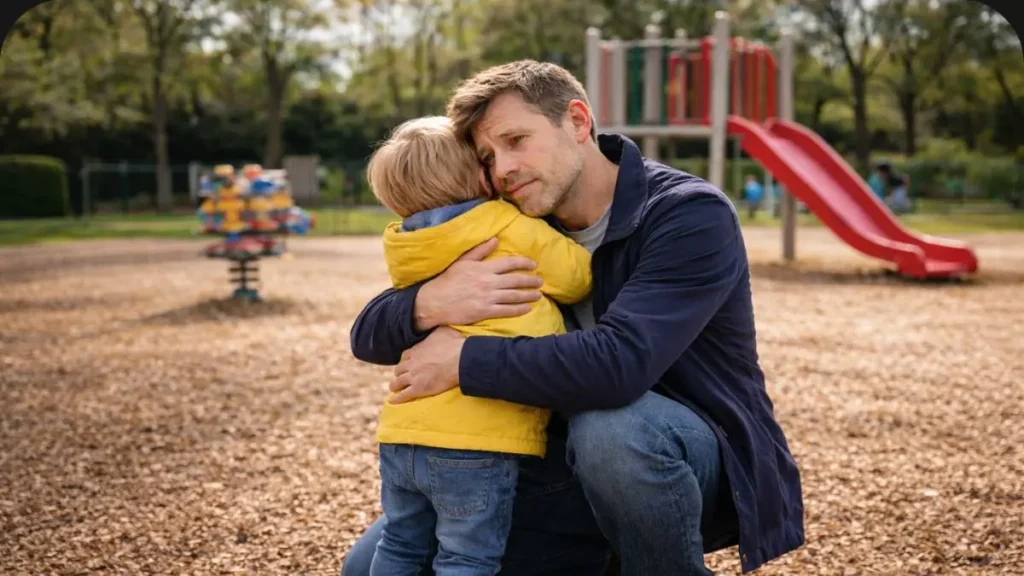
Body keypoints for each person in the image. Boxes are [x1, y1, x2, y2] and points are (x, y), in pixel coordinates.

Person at [343, 60, 805, 576]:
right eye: (489, 156)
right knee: (364, 568)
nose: (503, 169)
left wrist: (463, 359)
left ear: (579, 122)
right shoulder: (516, 218)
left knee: (612, 431)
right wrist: (430, 301)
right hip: (544, 464)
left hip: (680, 454)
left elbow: (619, 365)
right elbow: (367, 335)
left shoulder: (688, 213)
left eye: (517, 140)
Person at [362, 116, 593, 576]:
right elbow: (575, 277)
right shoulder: (503, 223)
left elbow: (388, 305)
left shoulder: (405, 244)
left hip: (403, 433)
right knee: (467, 557)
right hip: (475, 441)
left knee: (401, 545)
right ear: (475, 176)